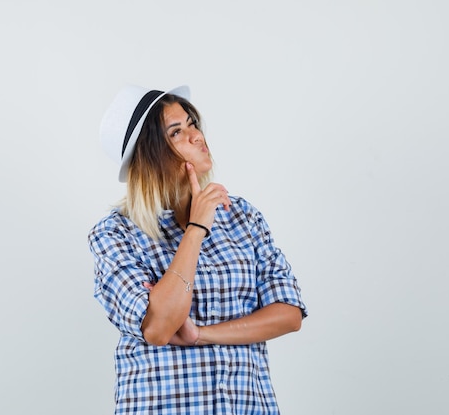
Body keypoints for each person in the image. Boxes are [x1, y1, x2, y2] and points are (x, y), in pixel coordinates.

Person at [88, 84, 308, 414]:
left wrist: (200, 334)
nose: (197, 137)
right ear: (149, 156)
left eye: (193, 124)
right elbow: (159, 327)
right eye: (177, 132)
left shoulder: (241, 217)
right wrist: (196, 228)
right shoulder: (116, 233)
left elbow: (288, 314)